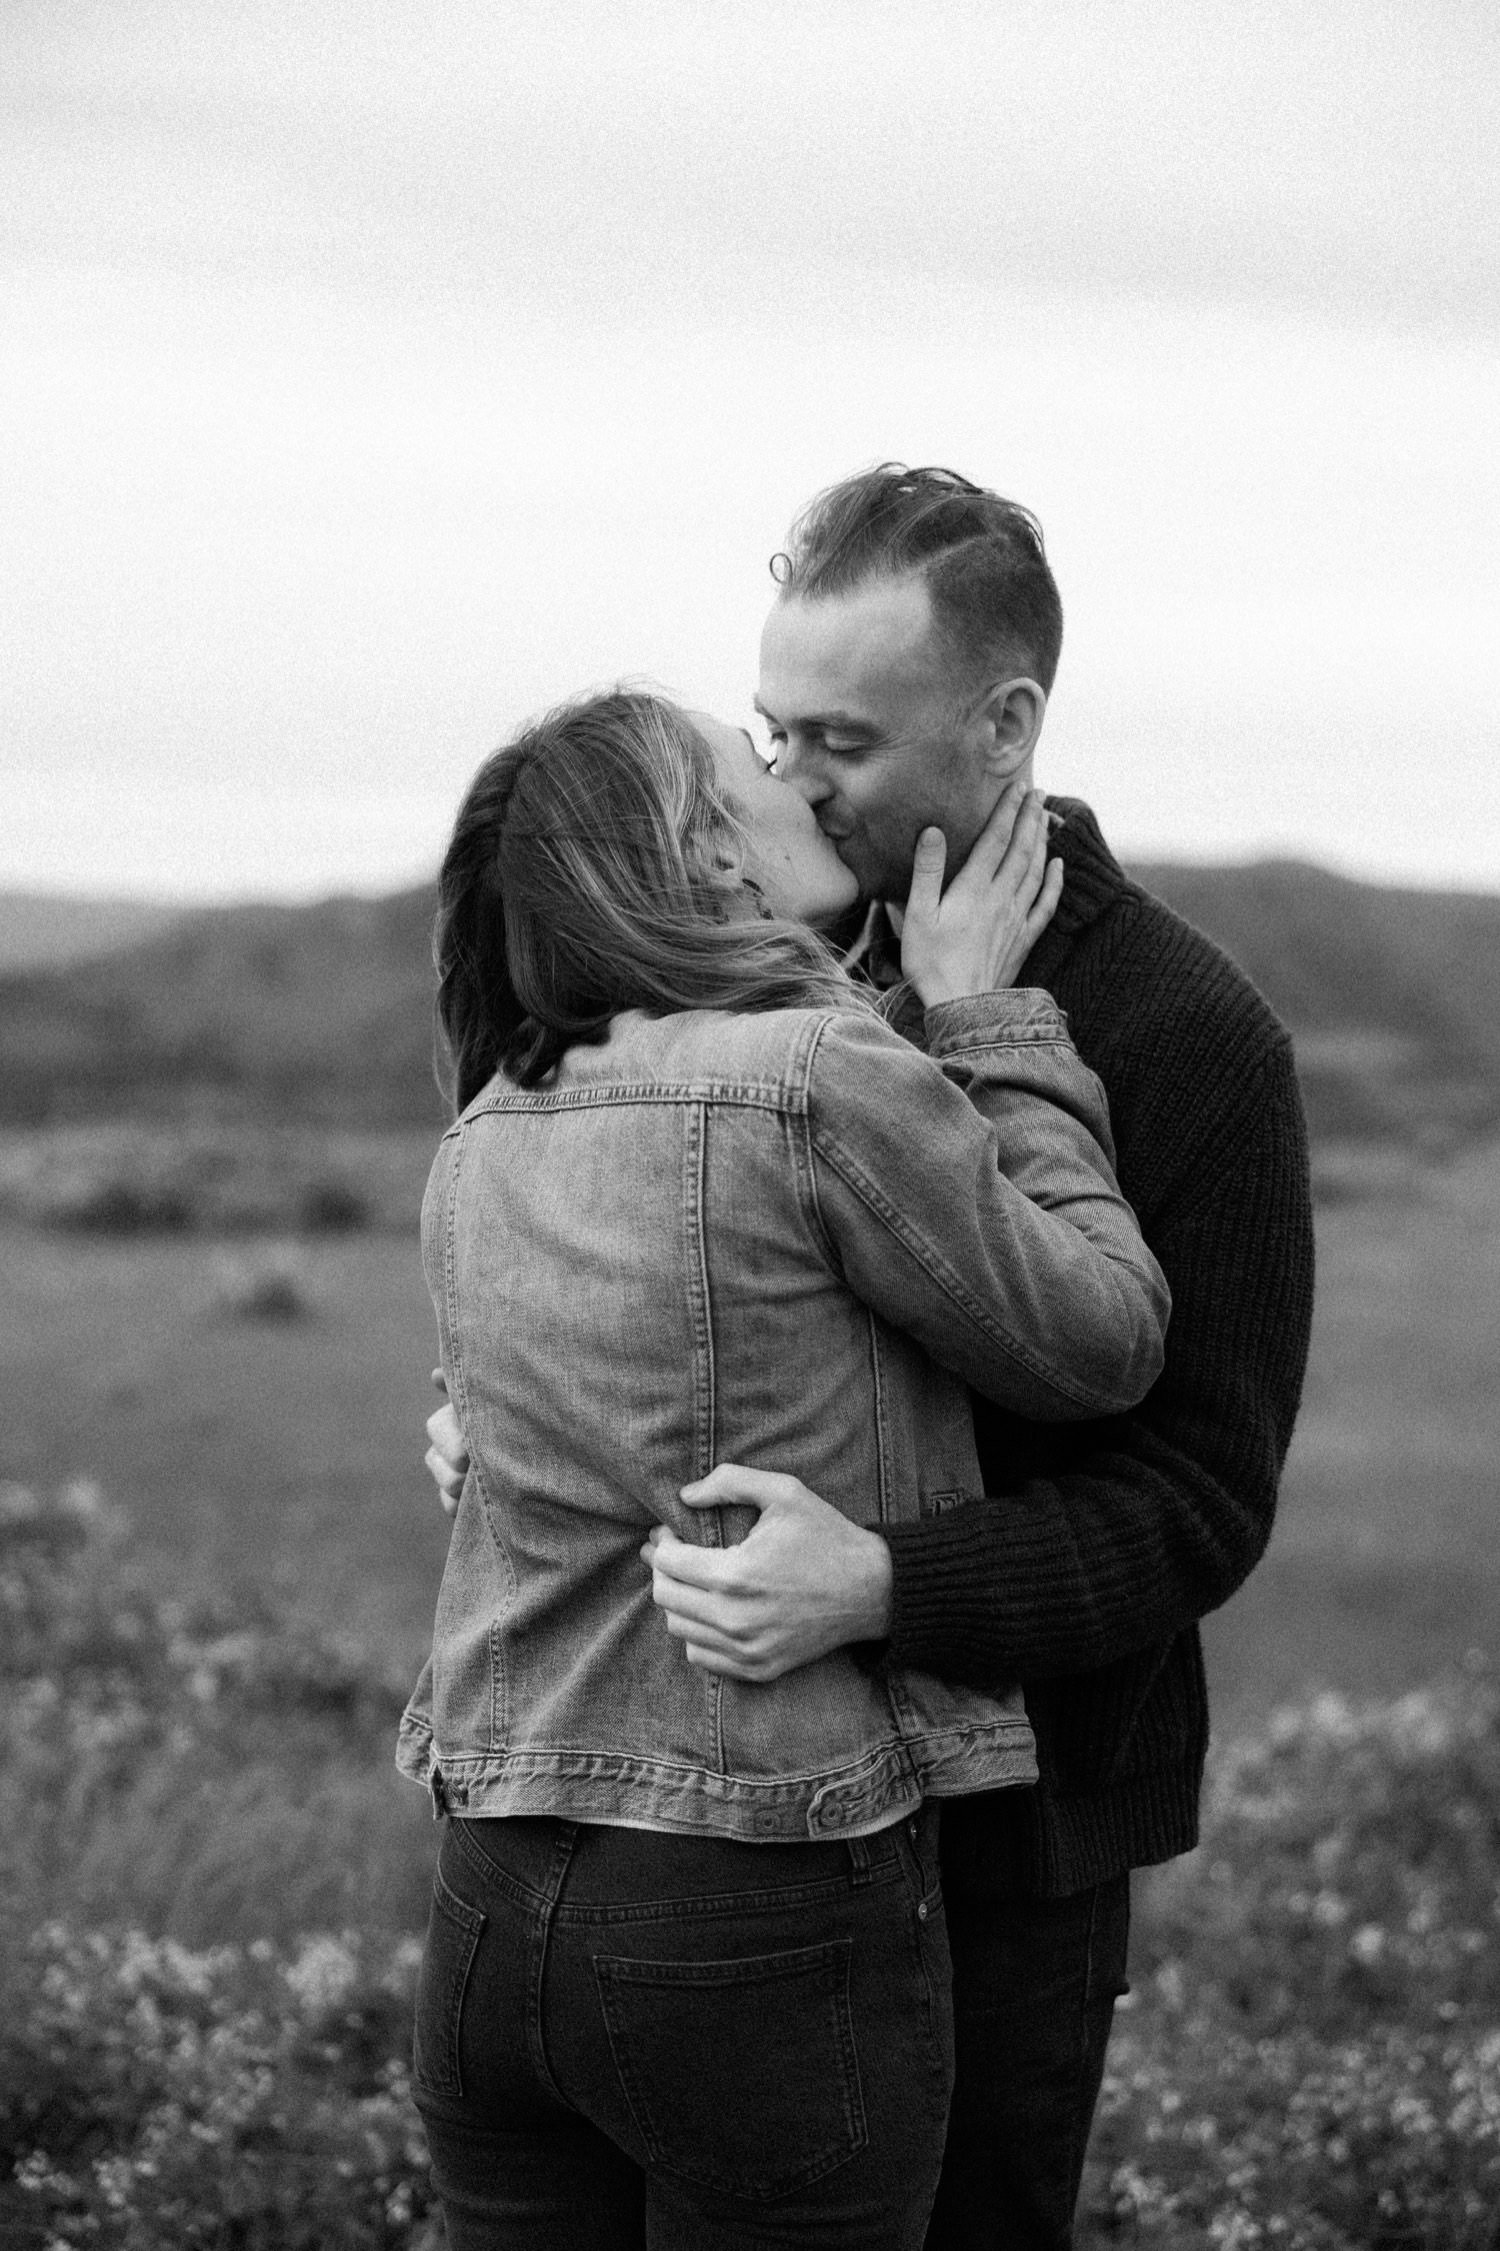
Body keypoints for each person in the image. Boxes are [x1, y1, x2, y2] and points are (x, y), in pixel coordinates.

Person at [426, 466, 1317, 2250]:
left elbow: (1196, 1505)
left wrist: (889, 1586)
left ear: (1005, 726)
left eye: (841, 734)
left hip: (1012, 1849)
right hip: (693, 1840)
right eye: (774, 734)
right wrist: (516, 1413)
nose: (799, 778)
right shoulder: (756, 969)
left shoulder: (1191, 1035)